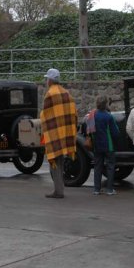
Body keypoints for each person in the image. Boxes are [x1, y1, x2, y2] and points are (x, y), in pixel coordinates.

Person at [40, 68, 77, 199]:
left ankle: (58, 191)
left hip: (54, 135)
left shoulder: (50, 94)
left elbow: (45, 115)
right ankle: (59, 189)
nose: (46, 81)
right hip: (64, 135)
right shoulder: (66, 93)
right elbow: (73, 112)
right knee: (60, 162)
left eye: (46, 79)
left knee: (54, 164)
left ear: (50, 80)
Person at [91, 95, 119, 196]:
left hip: (96, 145)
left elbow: (89, 130)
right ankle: (110, 189)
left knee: (97, 167)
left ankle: (96, 189)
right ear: (106, 104)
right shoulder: (109, 116)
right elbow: (115, 132)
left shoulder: (92, 115)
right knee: (110, 167)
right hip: (108, 145)